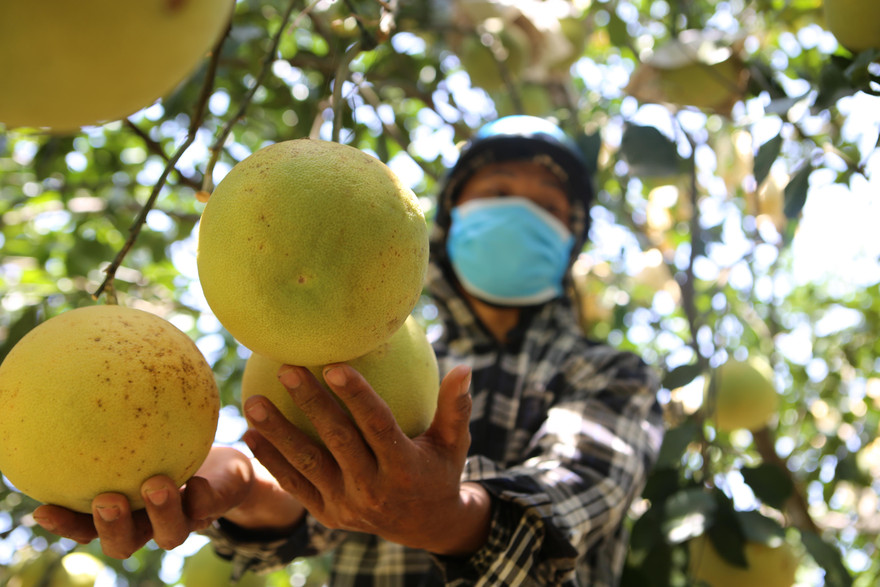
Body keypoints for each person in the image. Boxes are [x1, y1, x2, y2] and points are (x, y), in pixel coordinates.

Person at [33, 115, 665, 586]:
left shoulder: (609, 374)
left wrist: (445, 516)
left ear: (575, 239)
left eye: (548, 208)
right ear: (446, 214)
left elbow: (574, 503)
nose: (519, 211)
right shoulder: (349, 347)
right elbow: (321, 504)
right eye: (498, 192)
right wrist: (243, 485)